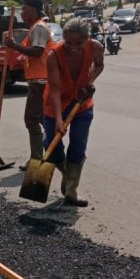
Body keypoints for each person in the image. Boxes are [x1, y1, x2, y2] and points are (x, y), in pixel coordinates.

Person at [42, 18, 105, 207]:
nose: (73, 48)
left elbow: (99, 65)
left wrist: (90, 81)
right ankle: (66, 173)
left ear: (87, 39)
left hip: (82, 103)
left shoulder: (95, 47)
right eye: (69, 43)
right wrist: (59, 119)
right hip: (56, 104)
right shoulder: (54, 56)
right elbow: (54, 89)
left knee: (78, 145)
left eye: (79, 43)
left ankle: (71, 191)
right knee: (51, 145)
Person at [2, 0, 54, 168]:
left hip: (41, 82)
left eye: (24, 9)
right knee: (42, 120)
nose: (22, 13)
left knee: (32, 120)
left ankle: (37, 159)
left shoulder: (39, 27)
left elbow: (37, 52)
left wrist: (14, 45)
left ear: (34, 10)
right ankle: (49, 154)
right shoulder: (34, 28)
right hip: (38, 81)